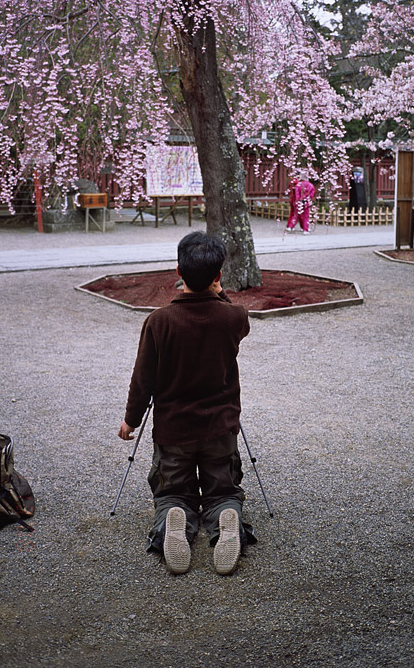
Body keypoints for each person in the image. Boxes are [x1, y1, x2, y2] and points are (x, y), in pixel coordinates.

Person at [118, 231, 255, 575]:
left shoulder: (159, 322)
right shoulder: (234, 317)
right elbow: (230, 309)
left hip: (174, 429)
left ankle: (173, 519)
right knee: (223, 487)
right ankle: (226, 514)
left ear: (177, 272)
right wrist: (218, 291)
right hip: (219, 427)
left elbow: (143, 378)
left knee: (173, 491)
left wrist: (131, 420)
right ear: (218, 275)